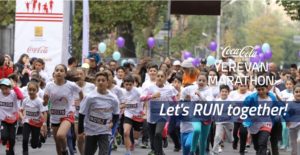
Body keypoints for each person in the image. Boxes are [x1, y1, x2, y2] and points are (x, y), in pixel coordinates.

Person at [43, 64, 83, 155]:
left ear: (65, 74)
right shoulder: (49, 85)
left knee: (60, 135)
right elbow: (45, 103)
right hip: (54, 115)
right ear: (54, 73)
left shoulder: (71, 85)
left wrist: (81, 102)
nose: (59, 72)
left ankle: (65, 151)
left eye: (61, 71)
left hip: (68, 114)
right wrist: (45, 100)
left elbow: (80, 92)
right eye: (57, 70)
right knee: (57, 142)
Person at [78, 72, 120, 155]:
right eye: (98, 80)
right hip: (91, 130)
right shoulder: (90, 97)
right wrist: (80, 131)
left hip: (105, 130)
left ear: (107, 82)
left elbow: (116, 114)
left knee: (104, 153)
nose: (101, 82)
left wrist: (113, 124)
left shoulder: (113, 98)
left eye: (103, 80)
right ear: (95, 82)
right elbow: (81, 114)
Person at [141, 70, 178, 155]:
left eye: (162, 76)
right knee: (153, 136)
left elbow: (174, 99)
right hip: (152, 114)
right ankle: (159, 151)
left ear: (165, 78)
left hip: (163, 114)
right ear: (156, 77)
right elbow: (141, 98)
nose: (160, 78)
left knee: (158, 133)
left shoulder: (169, 88)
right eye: (158, 76)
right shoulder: (150, 87)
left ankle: (159, 152)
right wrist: (152, 96)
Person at [181, 72, 214, 155]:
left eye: (203, 80)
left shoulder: (209, 91)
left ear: (207, 82)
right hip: (195, 115)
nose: (201, 82)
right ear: (196, 80)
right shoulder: (192, 88)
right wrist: (184, 99)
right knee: (196, 130)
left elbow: (209, 103)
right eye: (199, 80)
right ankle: (192, 150)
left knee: (203, 140)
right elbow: (183, 92)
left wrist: (200, 95)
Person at [20, 81, 47, 155]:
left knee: (34, 145)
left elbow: (43, 113)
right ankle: (25, 152)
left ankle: (37, 140)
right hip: (27, 122)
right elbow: (21, 110)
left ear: (37, 91)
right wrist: (22, 117)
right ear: (27, 90)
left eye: (33, 90)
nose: (31, 92)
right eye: (30, 90)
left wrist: (44, 124)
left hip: (36, 123)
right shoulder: (25, 100)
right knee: (25, 139)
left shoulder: (39, 101)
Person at [74, 68, 96, 155]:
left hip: (89, 116)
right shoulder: (72, 86)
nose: (79, 76)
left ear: (84, 75)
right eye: (77, 74)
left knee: (89, 138)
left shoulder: (91, 86)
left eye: (81, 74)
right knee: (80, 138)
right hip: (77, 115)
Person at [0, 78, 24, 155]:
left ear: (10, 88)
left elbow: (21, 97)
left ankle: (10, 151)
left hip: (13, 119)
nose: (4, 91)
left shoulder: (13, 93)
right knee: (4, 136)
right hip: (3, 119)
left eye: (6, 89)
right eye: (2, 89)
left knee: (12, 138)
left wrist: (15, 87)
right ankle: (5, 141)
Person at [121, 75, 144, 155]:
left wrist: (144, 111)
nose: (128, 86)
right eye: (126, 84)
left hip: (138, 115)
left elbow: (145, 99)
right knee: (126, 132)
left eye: (130, 84)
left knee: (136, 136)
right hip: (128, 114)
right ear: (124, 84)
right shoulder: (122, 92)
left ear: (133, 84)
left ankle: (133, 142)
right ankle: (128, 152)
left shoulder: (138, 91)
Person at [212, 85, 233, 155]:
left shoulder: (231, 101)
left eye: (226, 92)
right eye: (222, 91)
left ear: (228, 92)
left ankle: (225, 140)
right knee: (217, 136)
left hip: (229, 122)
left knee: (230, 139)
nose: (224, 93)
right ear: (220, 92)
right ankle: (214, 151)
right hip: (219, 122)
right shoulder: (217, 101)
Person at [287, 83, 300, 155]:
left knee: (299, 140)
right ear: (293, 93)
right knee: (293, 143)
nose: (298, 93)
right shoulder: (290, 103)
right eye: (296, 92)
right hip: (292, 126)